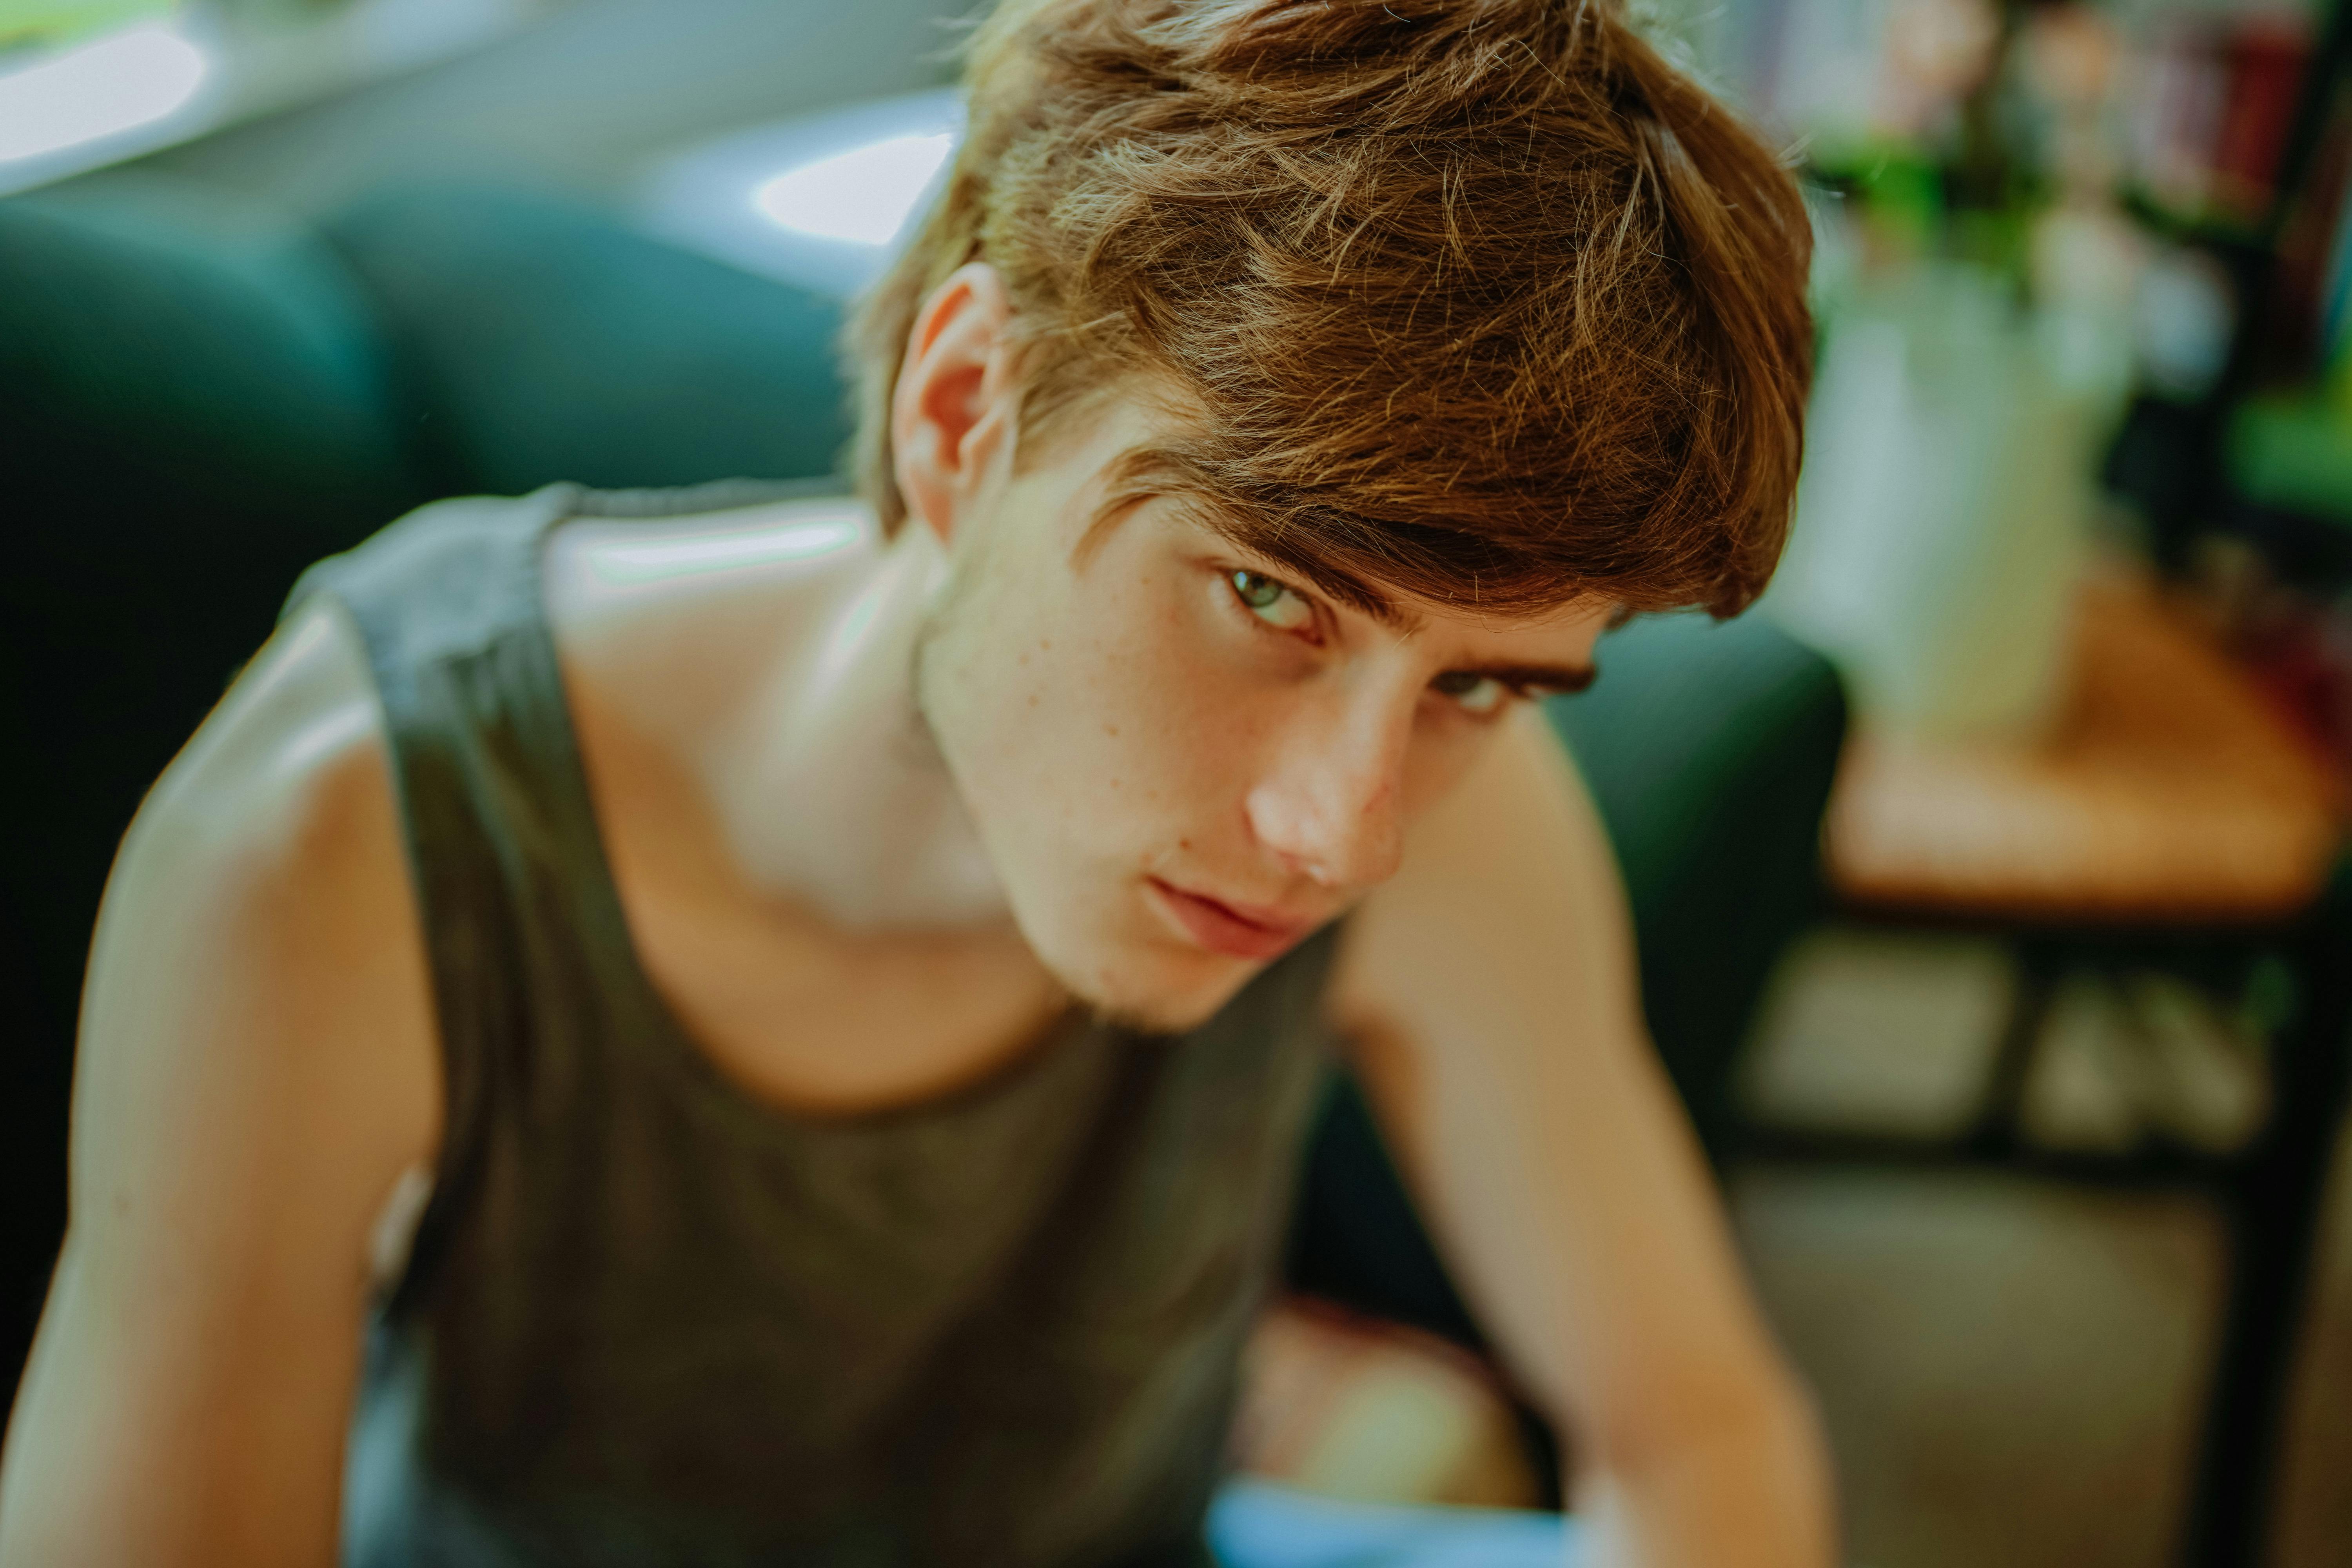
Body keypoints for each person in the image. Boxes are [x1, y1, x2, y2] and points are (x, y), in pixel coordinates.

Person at [0, 0, 1833, 1564]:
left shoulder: (1456, 812)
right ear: (966, 412)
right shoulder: (350, 829)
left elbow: (1696, 1436)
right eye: (1272, 594)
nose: (1344, 834)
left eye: (1486, 683)